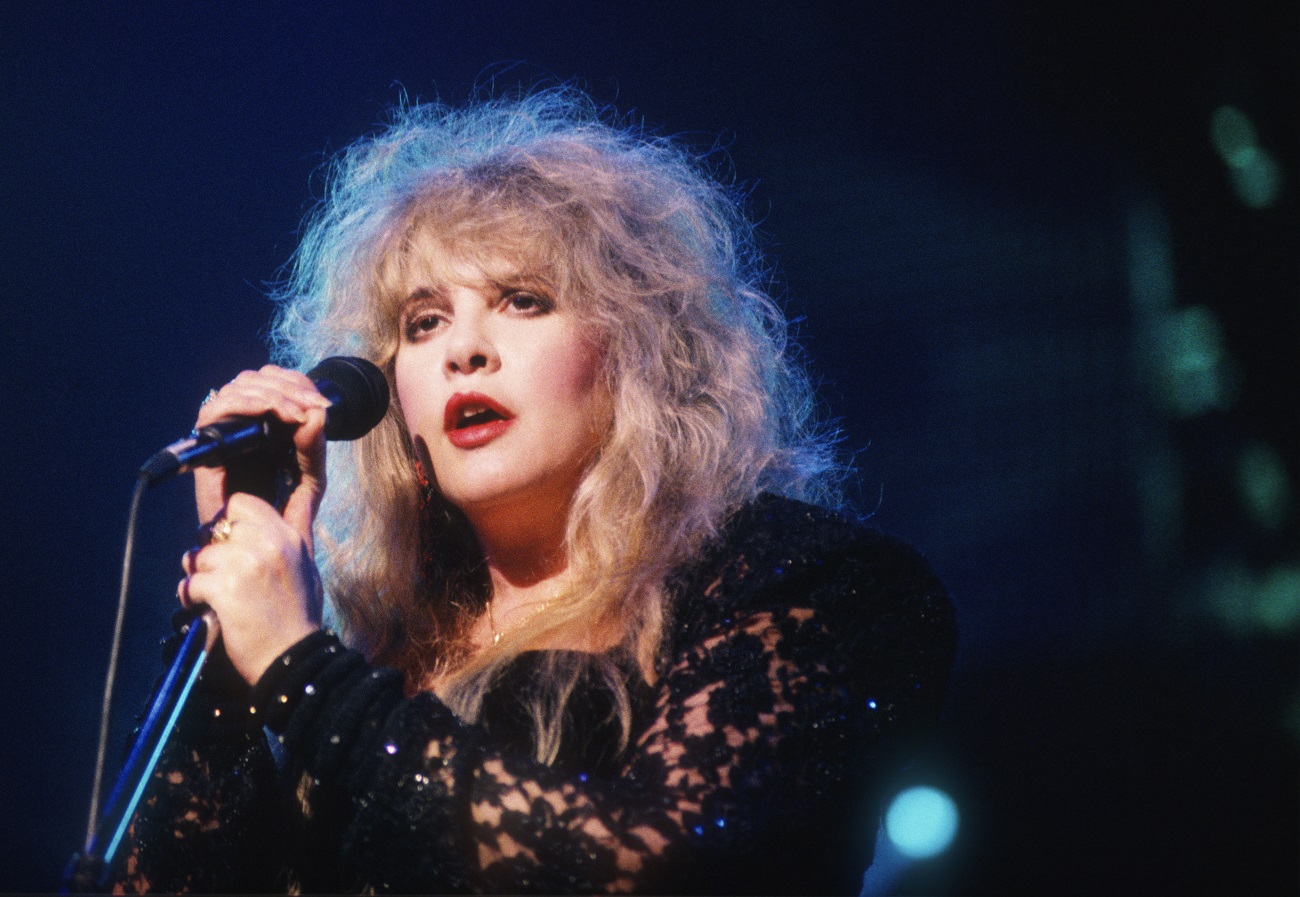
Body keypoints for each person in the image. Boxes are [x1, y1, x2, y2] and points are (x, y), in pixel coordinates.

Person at [112, 88, 956, 894]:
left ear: (638, 356)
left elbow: (647, 865)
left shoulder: (804, 582)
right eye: (423, 322)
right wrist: (227, 647)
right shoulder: (378, 643)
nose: (463, 351)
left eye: (523, 300)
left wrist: (302, 674)